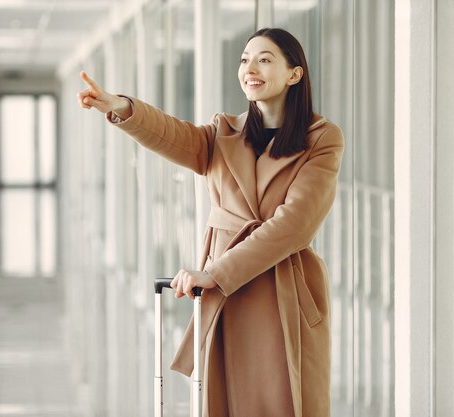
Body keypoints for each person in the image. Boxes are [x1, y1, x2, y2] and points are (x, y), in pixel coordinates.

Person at [78, 28, 344, 417]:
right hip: (226, 292)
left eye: (264, 59)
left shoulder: (321, 138)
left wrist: (216, 273)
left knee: (283, 400)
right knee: (223, 401)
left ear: (294, 75)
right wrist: (119, 105)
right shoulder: (224, 133)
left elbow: (294, 225)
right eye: (244, 59)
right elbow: (170, 134)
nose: (249, 68)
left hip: (281, 286)